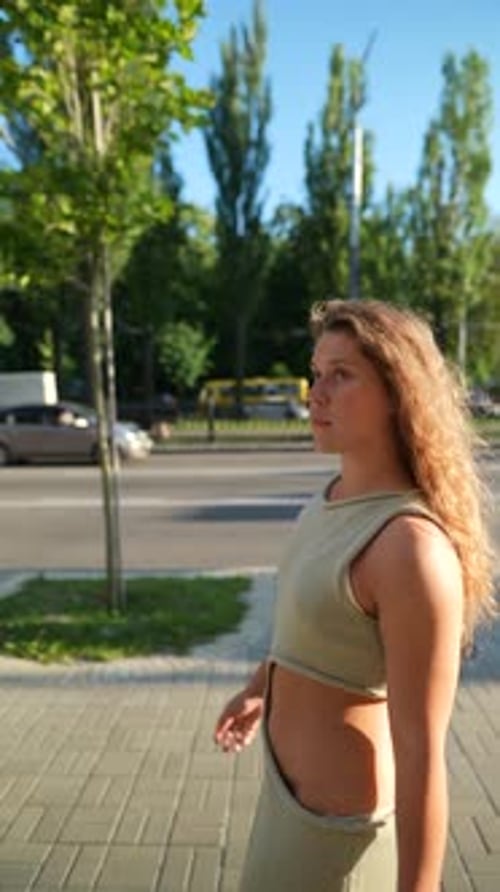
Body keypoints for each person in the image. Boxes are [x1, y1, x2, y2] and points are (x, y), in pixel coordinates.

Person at [214, 299, 496, 892]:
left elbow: (420, 752)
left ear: (398, 391)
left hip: (339, 844)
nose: (316, 393)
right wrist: (259, 685)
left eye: (342, 375)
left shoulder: (410, 549)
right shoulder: (330, 500)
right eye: (317, 373)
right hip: (280, 806)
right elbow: (313, 624)